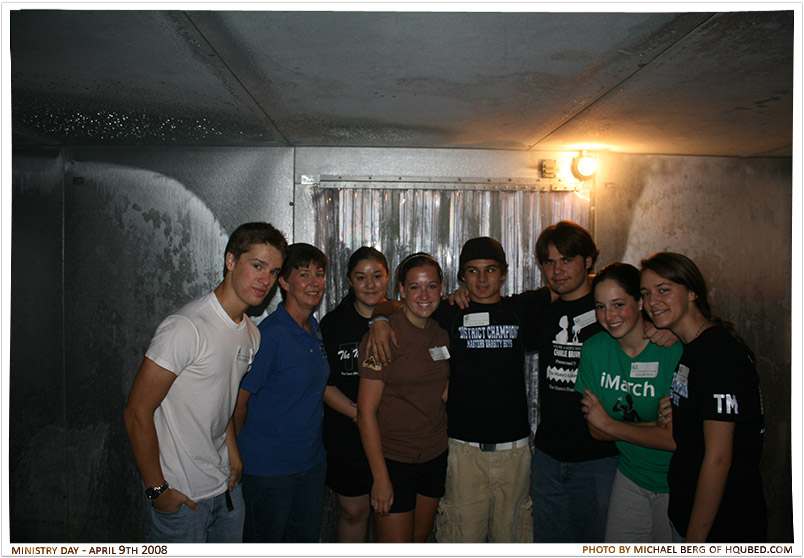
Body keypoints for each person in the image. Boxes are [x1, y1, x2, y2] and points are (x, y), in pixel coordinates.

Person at [364, 238, 553, 542]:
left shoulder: (521, 308)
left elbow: (574, 283)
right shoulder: (449, 311)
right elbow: (396, 303)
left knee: (512, 536)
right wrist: (380, 320)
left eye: (490, 270)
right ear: (462, 277)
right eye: (473, 271)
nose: (481, 279)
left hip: (514, 450)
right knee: (461, 537)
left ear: (503, 273)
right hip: (462, 450)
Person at [124, 222, 287, 543]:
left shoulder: (252, 335)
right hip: (181, 497)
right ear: (230, 261)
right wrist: (157, 490)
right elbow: (136, 412)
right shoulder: (186, 327)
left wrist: (233, 453)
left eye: (273, 271)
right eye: (257, 266)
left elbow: (219, 402)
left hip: (225, 489)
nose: (265, 280)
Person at [640, 252, 766, 542]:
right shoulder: (694, 347)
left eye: (664, 290)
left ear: (693, 291)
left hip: (724, 525)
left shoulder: (718, 356)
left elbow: (719, 458)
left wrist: (695, 542)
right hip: (686, 512)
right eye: (646, 293)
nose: (652, 302)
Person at [575, 263, 682, 542]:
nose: (609, 316)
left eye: (619, 304)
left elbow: (674, 439)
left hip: (676, 481)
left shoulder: (672, 350)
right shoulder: (594, 349)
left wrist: (610, 422)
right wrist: (653, 427)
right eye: (600, 307)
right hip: (630, 476)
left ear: (640, 302)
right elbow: (594, 431)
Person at [234, 243, 329, 543]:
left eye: (320, 273)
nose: (314, 282)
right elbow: (238, 405)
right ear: (284, 283)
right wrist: (236, 456)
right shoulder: (271, 336)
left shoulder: (313, 328)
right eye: (304, 274)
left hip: (311, 464)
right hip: (269, 470)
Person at [357, 252, 450, 543]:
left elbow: (440, 391)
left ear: (442, 289)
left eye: (431, 286)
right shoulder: (384, 336)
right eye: (414, 287)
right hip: (394, 460)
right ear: (401, 290)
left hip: (434, 455)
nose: (424, 295)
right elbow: (366, 413)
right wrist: (381, 478)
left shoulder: (441, 334)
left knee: (419, 541)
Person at [320, 247, 390, 542]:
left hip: (393, 435)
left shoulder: (402, 317)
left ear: (388, 277)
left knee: (390, 516)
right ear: (349, 280)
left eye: (377, 276)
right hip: (347, 435)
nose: (370, 284)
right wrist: (360, 415)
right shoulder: (333, 325)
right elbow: (322, 383)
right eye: (361, 277)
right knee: (354, 513)